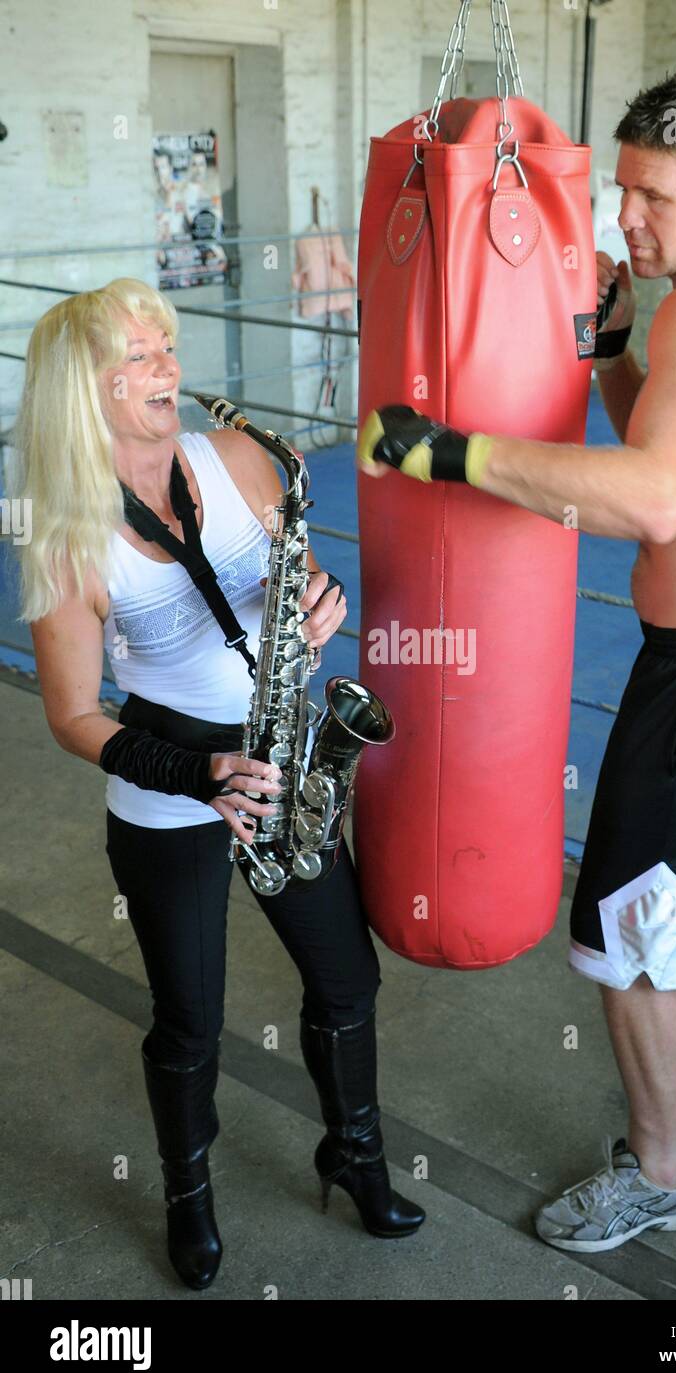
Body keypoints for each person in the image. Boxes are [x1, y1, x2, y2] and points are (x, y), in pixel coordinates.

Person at [356, 72, 676, 1252]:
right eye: (615, 190)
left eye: (651, 196)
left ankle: (663, 1171)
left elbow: (657, 498)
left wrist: (451, 454)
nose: (624, 220)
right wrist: (612, 355)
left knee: (626, 927)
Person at [13, 276, 424, 1291]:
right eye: (142, 357)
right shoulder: (67, 538)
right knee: (189, 1017)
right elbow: (72, 715)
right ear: (86, 391)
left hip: (284, 762)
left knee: (346, 981)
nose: (171, 368)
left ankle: (355, 1153)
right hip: (168, 791)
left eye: (167, 345)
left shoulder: (242, 458)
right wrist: (197, 775)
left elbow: (302, 579)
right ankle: (187, 1195)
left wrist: (324, 602)